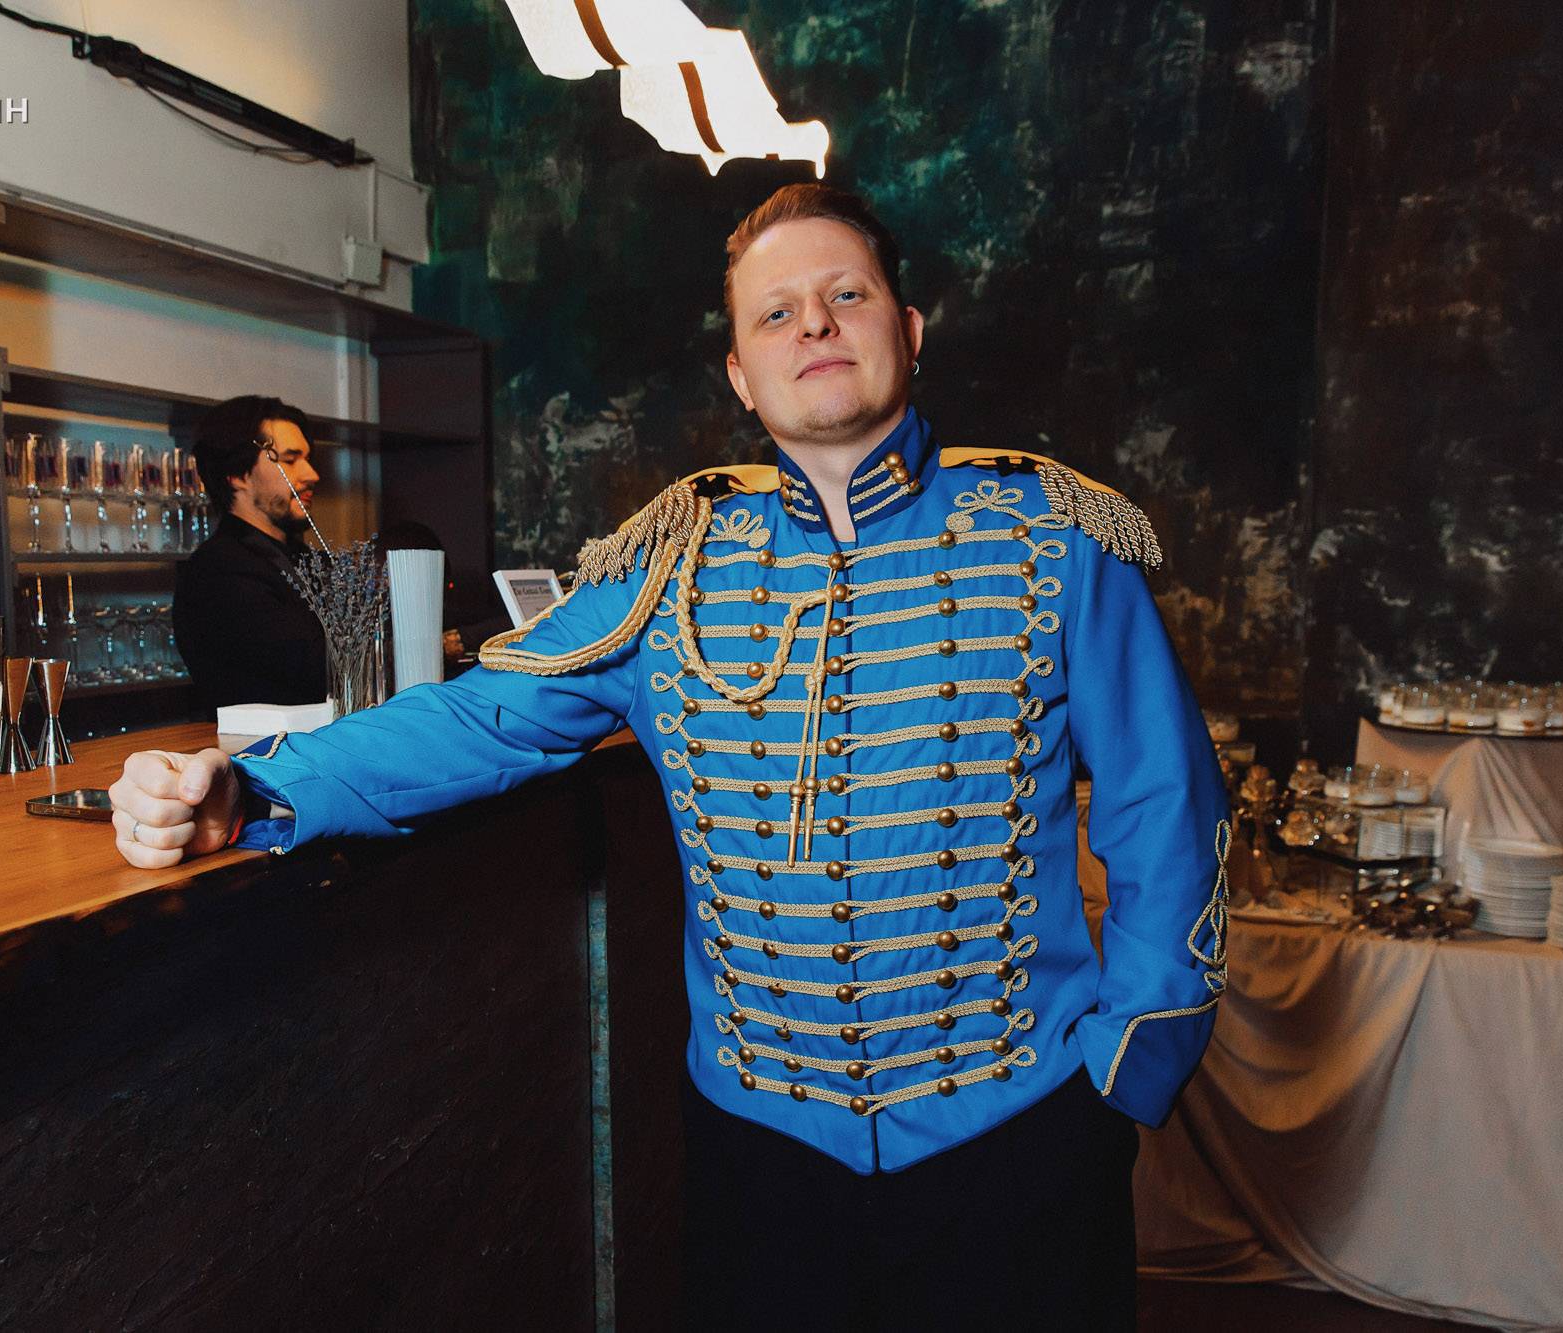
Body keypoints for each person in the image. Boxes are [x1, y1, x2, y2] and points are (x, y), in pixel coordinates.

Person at [110, 185, 1226, 1328]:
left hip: (1020, 1146)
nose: (813, 324)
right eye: (774, 312)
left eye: (845, 295)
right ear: (741, 375)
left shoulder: (1053, 539)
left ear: (907, 328)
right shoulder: (668, 562)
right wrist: (259, 784)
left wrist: (1123, 1075)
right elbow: (482, 715)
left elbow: (1164, 807)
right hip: (762, 1165)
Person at [171, 396, 327, 716]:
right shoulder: (219, 570)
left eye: (308, 459)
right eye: (290, 460)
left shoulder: (304, 557)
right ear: (238, 476)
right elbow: (316, 668)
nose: (311, 474)